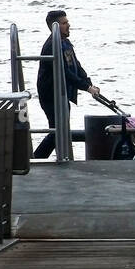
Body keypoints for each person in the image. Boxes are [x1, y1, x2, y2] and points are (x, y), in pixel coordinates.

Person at [34, 9, 100, 159]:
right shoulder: (51, 45)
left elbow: (76, 65)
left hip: (61, 94)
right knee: (57, 130)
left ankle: (57, 158)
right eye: (64, 23)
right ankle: (35, 159)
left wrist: (88, 82)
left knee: (60, 129)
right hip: (50, 96)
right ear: (54, 26)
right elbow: (64, 72)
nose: (68, 25)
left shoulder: (65, 43)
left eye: (67, 22)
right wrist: (87, 88)